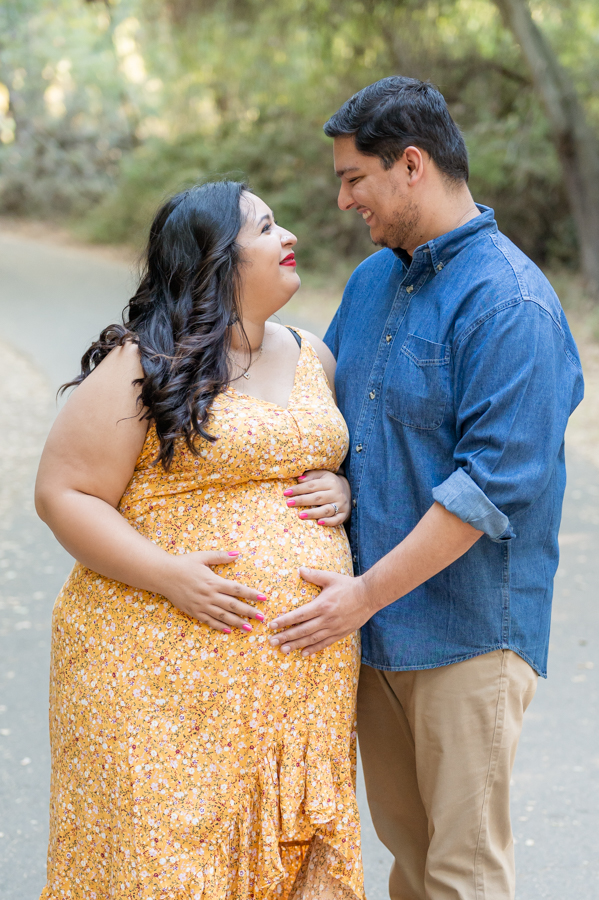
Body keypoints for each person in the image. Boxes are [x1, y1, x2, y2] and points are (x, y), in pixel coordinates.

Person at [266, 77, 584, 900]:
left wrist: (360, 596)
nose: (341, 200)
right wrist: (334, 481)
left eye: (353, 177)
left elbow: (486, 491)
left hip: (467, 634)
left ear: (410, 165)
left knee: (461, 871)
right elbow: (324, 405)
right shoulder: (375, 280)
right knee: (409, 859)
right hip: (375, 630)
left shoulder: (510, 305)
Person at [35, 181, 365, 900]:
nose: (290, 239)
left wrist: (340, 488)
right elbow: (63, 493)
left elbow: (324, 459)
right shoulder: (140, 365)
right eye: (268, 226)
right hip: (153, 682)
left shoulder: (314, 354)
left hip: (295, 690)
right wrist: (167, 574)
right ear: (218, 256)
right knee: (163, 866)